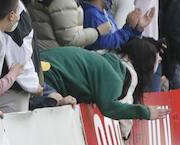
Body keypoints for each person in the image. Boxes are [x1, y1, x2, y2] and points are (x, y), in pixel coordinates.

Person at [38, 39, 170, 127]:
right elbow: (110, 108)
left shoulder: (105, 61)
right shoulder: (115, 79)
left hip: (41, 66)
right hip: (47, 77)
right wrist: (145, 112)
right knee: (52, 101)